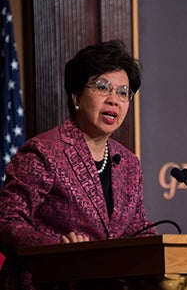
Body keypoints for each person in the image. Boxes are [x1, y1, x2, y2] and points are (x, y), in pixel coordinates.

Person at [0, 40, 156, 289]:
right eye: (103, 88)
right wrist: (56, 250)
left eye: (123, 92)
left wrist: (166, 253)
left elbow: (137, 229)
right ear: (76, 97)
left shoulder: (128, 164)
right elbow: (7, 222)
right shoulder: (43, 152)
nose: (114, 100)